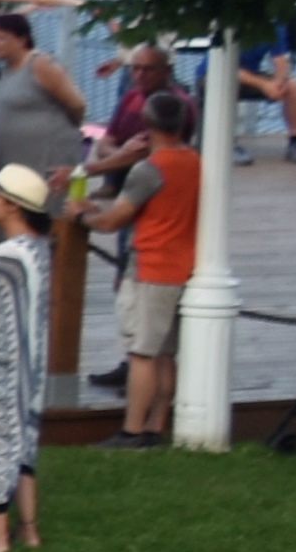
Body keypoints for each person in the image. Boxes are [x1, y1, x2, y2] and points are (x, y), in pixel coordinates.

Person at [88, 92, 208, 442]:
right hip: (182, 267)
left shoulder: (148, 170)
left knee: (141, 353)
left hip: (151, 268)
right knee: (165, 353)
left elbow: (113, 220)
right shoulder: (196, 161)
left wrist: (84, 213)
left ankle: (132, 429)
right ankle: (157, 424)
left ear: (149, 125)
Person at [0, 165, 58, 552]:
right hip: (33, 359)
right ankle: (30, 528)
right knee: (25, 442)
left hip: (3, 364)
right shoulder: (38, 249)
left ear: (12, 206)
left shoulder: (5, 255)